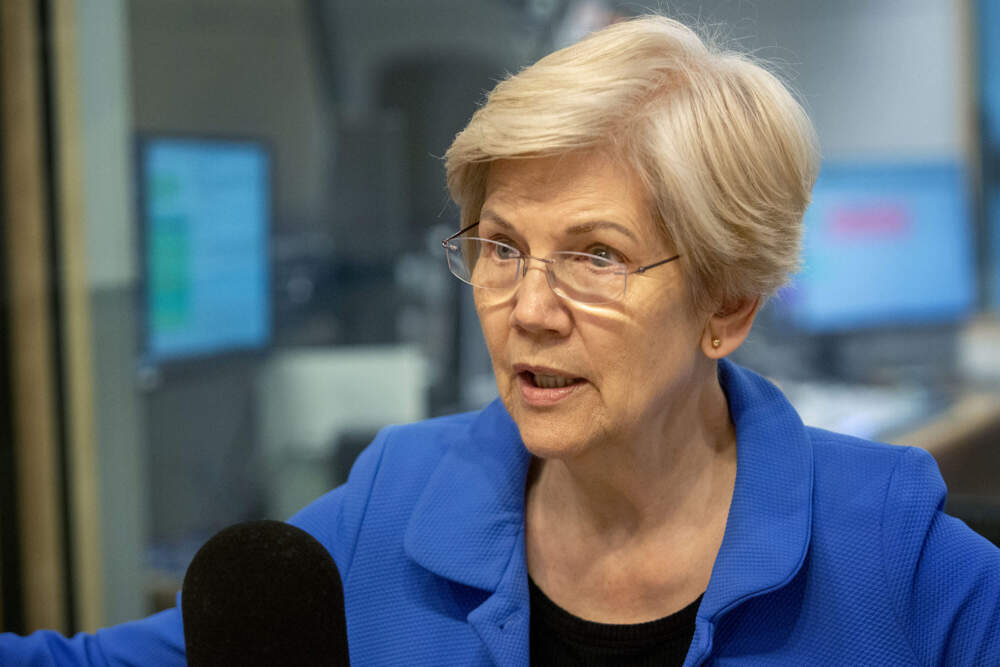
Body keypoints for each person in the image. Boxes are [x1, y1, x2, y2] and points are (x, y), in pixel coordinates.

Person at [3, 13, 999, 666]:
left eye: (596, 256)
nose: (526, 308)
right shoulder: (397, 500)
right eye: (501, 248)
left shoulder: (896, 558)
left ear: (726, 306)